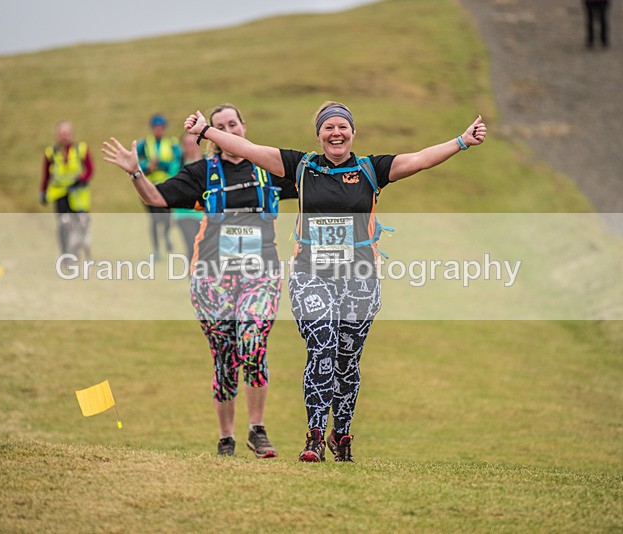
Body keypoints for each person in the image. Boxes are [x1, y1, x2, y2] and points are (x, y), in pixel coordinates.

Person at [184, 101, 487, 462]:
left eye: (343, 126)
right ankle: (314, 435)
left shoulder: (371, 170)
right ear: (319, 135)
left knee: (347, 362)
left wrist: (462, 141)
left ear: (353, 133)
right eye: (329, 127)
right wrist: (206, 132)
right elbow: (248, 149)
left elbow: (420, 158)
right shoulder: (300, 167)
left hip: (359, 280)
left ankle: (341, 434)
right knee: (322, 343)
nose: (336, 133)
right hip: (311, 275)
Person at [102, 104, 298, 458]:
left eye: (232, 124)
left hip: (261, 276)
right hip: (211, 279)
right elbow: (158, 198)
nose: (228, 131)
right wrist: (135, 174)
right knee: (225, 358)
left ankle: (258, 429)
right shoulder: (201, 174)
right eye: (219, 126)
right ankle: (226, 438)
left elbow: (316, 185)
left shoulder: (269, 168)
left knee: (252, 341)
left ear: (244, 126)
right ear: (210, 134)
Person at [40, 121, 93, 260]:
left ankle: (78, 252)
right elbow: (46, 175)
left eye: (67, 133)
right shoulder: (51, 153)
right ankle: (65, 255)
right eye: (62, 134)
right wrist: (43, 191)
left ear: (72, 134)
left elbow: (90, 170)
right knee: (64, 224)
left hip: (78, 194)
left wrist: (81, 179)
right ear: (57, 135)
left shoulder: (80, 149)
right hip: (60, 194)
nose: (64, 137)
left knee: (79, 224)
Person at [137, 114, 182, 260]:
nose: (158, 130)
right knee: (155, 220)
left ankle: (166, 236)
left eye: (161, 128)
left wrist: (161, 165)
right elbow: (134, 163)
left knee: (167, 219)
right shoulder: (144, 145)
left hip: (167, 187)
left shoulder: (172, 144)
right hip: (148, 188)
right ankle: (156, 249)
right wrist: (147, 166)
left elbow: (177, 162)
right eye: (155, 128)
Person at [170, 133, 206, 255]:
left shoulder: (207, 164)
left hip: (205, 215)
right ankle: (193, 273)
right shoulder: (177, 166)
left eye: (193, 143)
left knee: (205, 247)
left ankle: (205, 273)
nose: (190, 147)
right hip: (184, 215)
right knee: (192, 246)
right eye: (186, 144)